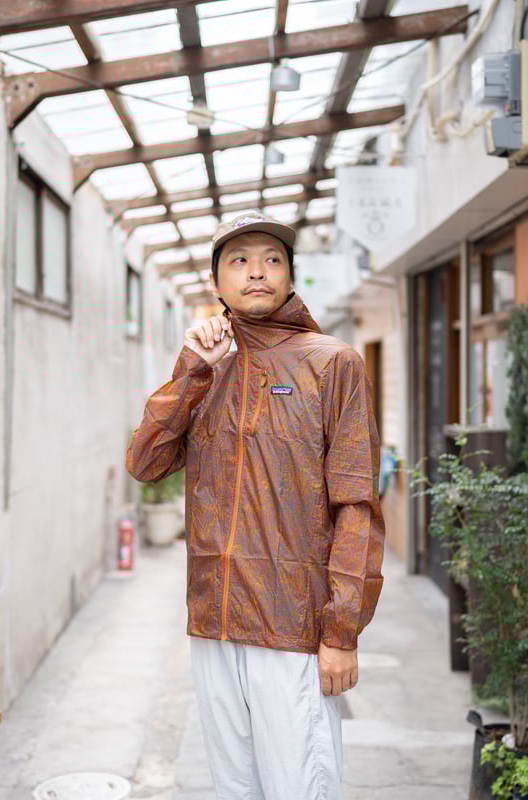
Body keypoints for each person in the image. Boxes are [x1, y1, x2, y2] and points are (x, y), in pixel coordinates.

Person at [126, 210, 385, 800]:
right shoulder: (205, 365)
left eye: (272, 260)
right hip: (214, 619)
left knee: (300, 786)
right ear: (216, 281)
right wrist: (192, 372)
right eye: (239, 261)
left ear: (291, 276)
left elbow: (356, 505)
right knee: (235, 787)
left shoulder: (332, 362)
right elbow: (146, 464)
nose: (257, 272)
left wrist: (342, 630)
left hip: (293, 623)